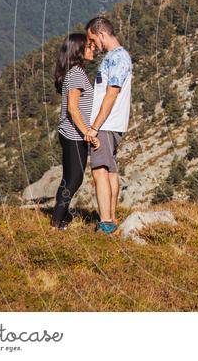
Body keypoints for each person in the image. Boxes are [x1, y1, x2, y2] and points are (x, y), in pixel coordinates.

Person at [85, 16, 133, 234]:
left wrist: (94, 126)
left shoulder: (117, 58)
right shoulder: (117, 57)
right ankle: (111, 219)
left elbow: (111, 94)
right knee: (110, 170)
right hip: (112, 124)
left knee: (99, 171)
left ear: (102, 34)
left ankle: (105, 222)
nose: (93, 44)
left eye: (93, 39)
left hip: (106, 124)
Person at [51, 33, 98, 230]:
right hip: (74, 134)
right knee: (75, 178)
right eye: (89, 46)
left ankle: (60, 218)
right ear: (78, 51)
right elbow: (73, 107)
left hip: (69, 133)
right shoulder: (77, 73)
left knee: (68, 177)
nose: (93, 49)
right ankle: (55, 223)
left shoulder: (73, 71)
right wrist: (87, 132)